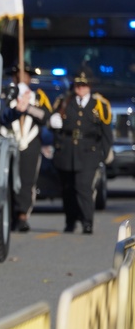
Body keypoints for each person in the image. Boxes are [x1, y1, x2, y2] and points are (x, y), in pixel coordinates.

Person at [49, 66, 113, 234]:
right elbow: (55, 125)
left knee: (83, 187)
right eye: (78, 84)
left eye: (84, 84)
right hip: (67, 150)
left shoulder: (99, 105)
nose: (81, 87)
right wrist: (54, 125)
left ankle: (87, 221)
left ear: (90, 86)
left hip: (88, 151)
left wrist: (103, 154)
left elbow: (106, 133)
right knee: (68, 188)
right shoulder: (65, 101)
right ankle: (70, 221)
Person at [3, 64, 52, 232]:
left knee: (27, 180)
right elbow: (1, 114)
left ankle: (23, 214)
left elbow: (45, 117)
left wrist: (28, 107)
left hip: (30, 142)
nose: (21, 78)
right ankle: (8, 215)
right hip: (10, 141)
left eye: (25, 75)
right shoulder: (5, 93)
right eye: (18, 76)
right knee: (8, 180)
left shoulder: (38, 96)